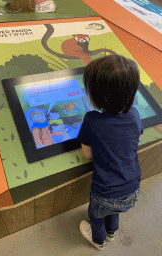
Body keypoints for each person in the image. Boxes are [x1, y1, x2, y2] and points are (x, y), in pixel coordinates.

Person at [76, 55, 144, 251]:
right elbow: (137, 138)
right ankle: (112, 233)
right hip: (132, 190)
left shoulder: (91, 120)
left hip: (104, 193)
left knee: (96, 215)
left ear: (95, 97)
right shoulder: (134, 114)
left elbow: (88, 155)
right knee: (115, 209)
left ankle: (98, 240)